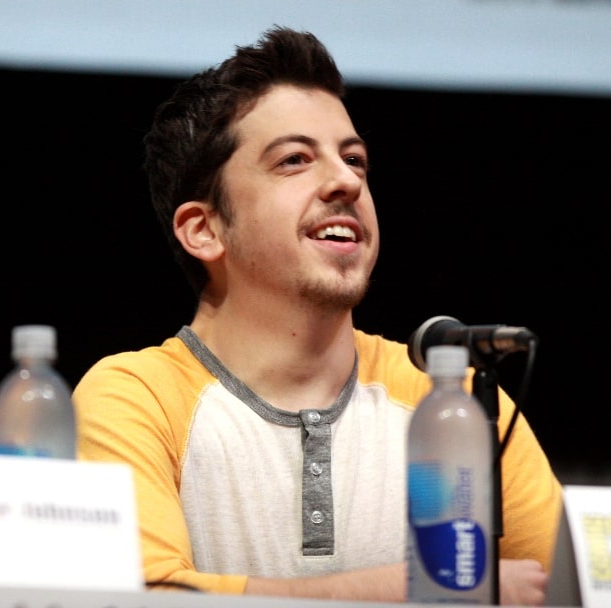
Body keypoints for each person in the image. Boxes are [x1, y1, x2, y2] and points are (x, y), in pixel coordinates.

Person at [73, 26, 562, 605]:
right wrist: (419, 590)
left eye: (354, 158)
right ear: (204, 230)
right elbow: (149, 596)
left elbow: (574, 586)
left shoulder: (450, 398)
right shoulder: (134, 397)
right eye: (295, 160)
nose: (346, 180)